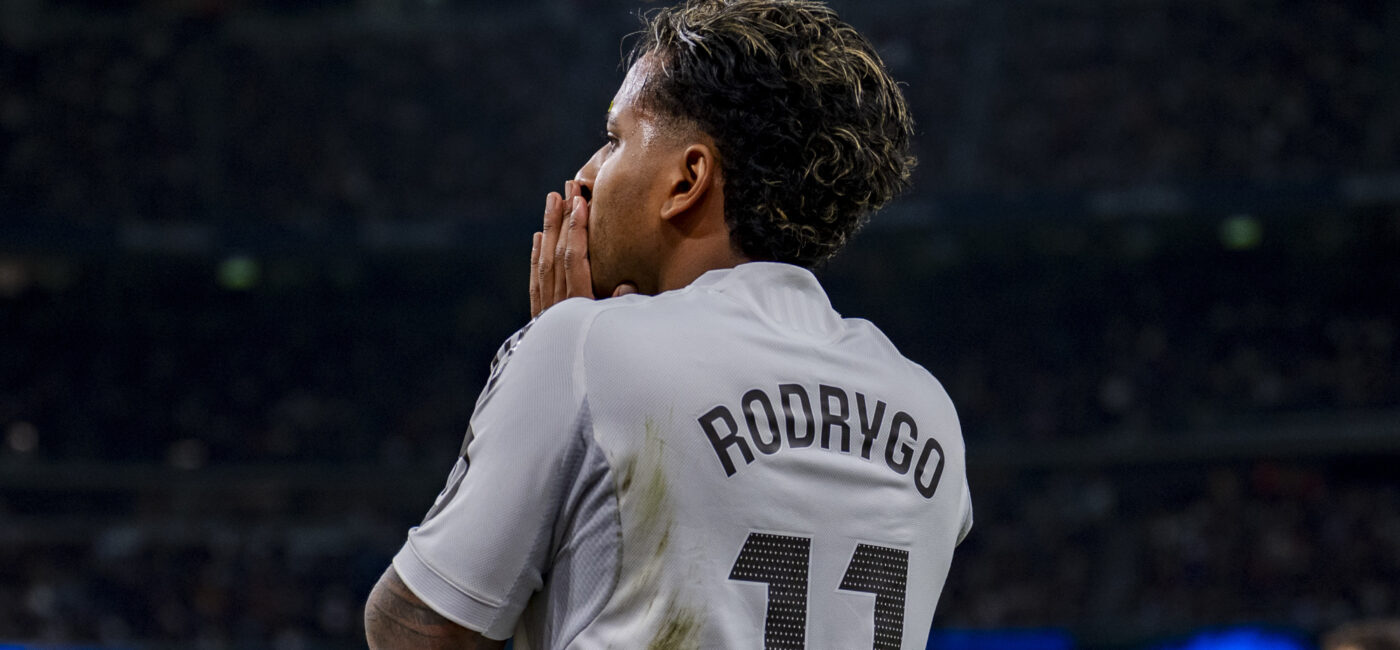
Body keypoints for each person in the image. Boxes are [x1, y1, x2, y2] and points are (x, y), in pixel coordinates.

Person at [363, 1, 972, 648]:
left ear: (687, 179)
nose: (586, 174)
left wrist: (549, 356)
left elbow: (415, 631)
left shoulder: (584, 349)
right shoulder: (929, 408)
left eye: (615, 138)